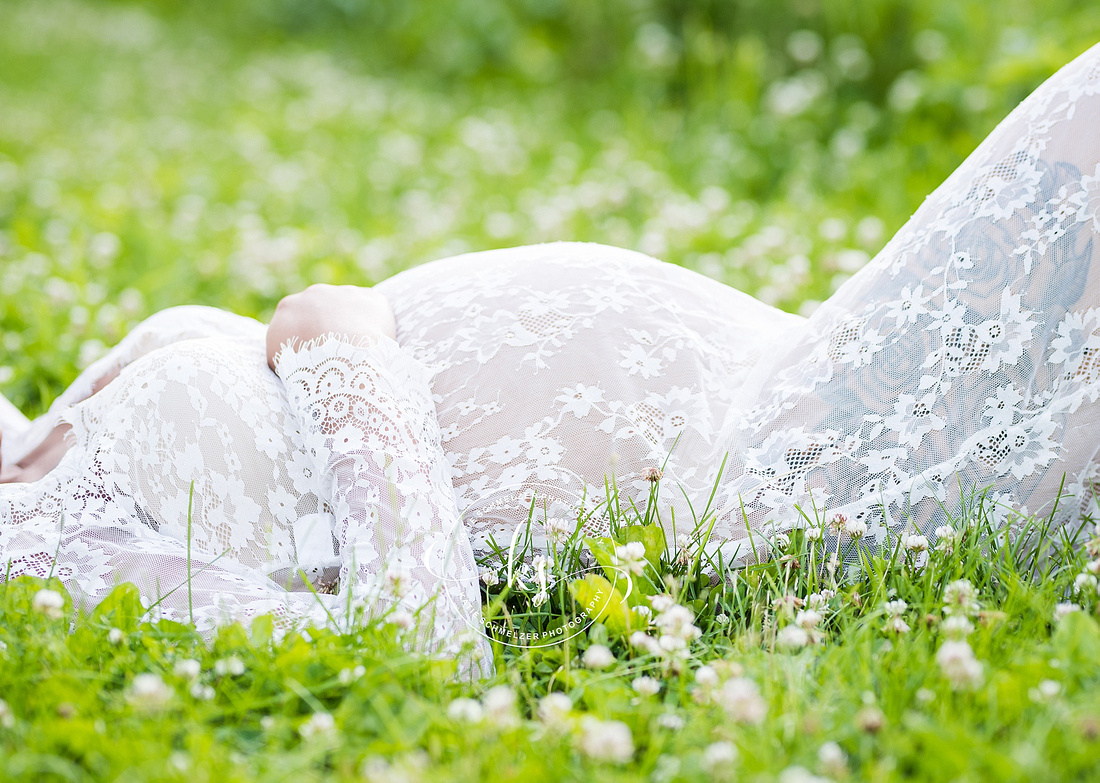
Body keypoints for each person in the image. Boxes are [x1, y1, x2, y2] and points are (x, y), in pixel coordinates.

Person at [1, 42, 1098, 673]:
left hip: (787, 358)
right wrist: (346, 360)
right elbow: (417, 647)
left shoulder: (28, 448)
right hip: (795, 471)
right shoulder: (50, 555)